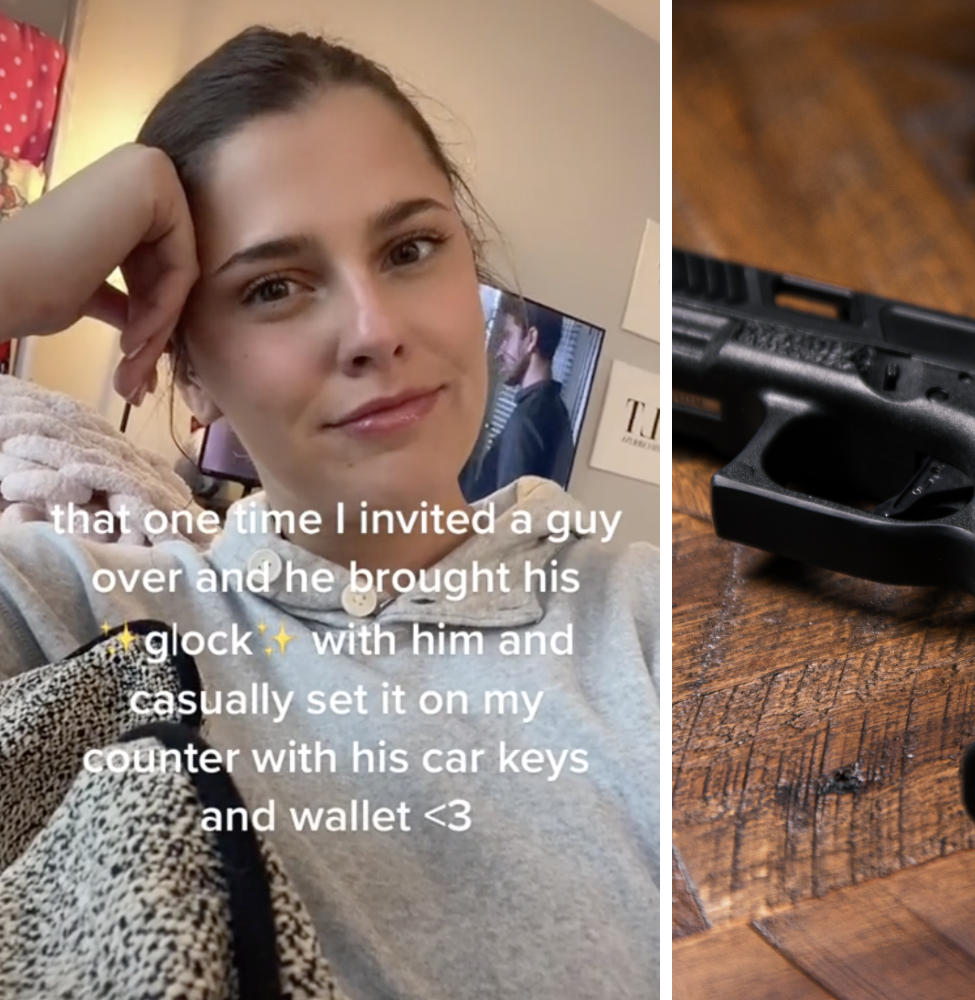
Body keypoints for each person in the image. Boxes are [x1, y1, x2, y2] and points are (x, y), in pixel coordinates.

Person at [0, 27, 657, 1000]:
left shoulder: (634, 611)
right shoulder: (83, 616)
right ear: (189, 367)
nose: (375, 330)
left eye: (410, 248)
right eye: (273, 286)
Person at [463, 299, 576, 499]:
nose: (500, 351)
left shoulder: (525, 422)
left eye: (507, 337)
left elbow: (510, 520)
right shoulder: (557, 412)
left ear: (531, 339)